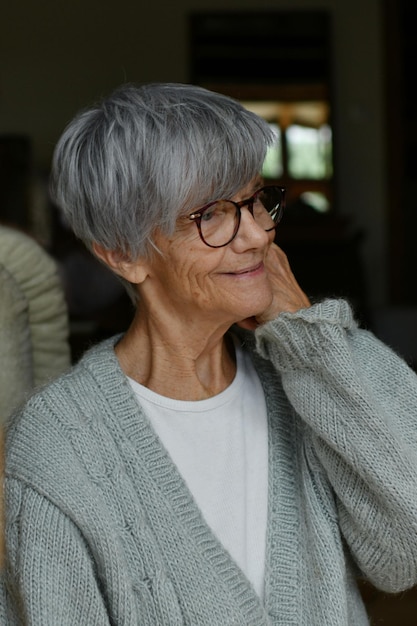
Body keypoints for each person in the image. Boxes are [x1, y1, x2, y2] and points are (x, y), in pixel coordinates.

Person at [2, 83, 417, 626]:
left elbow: (403, 554)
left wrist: (309, 340)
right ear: (124, 254)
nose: (256, 236)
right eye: (212, 215)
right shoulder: (57, 446)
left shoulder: (310, 372)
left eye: (255, 201)